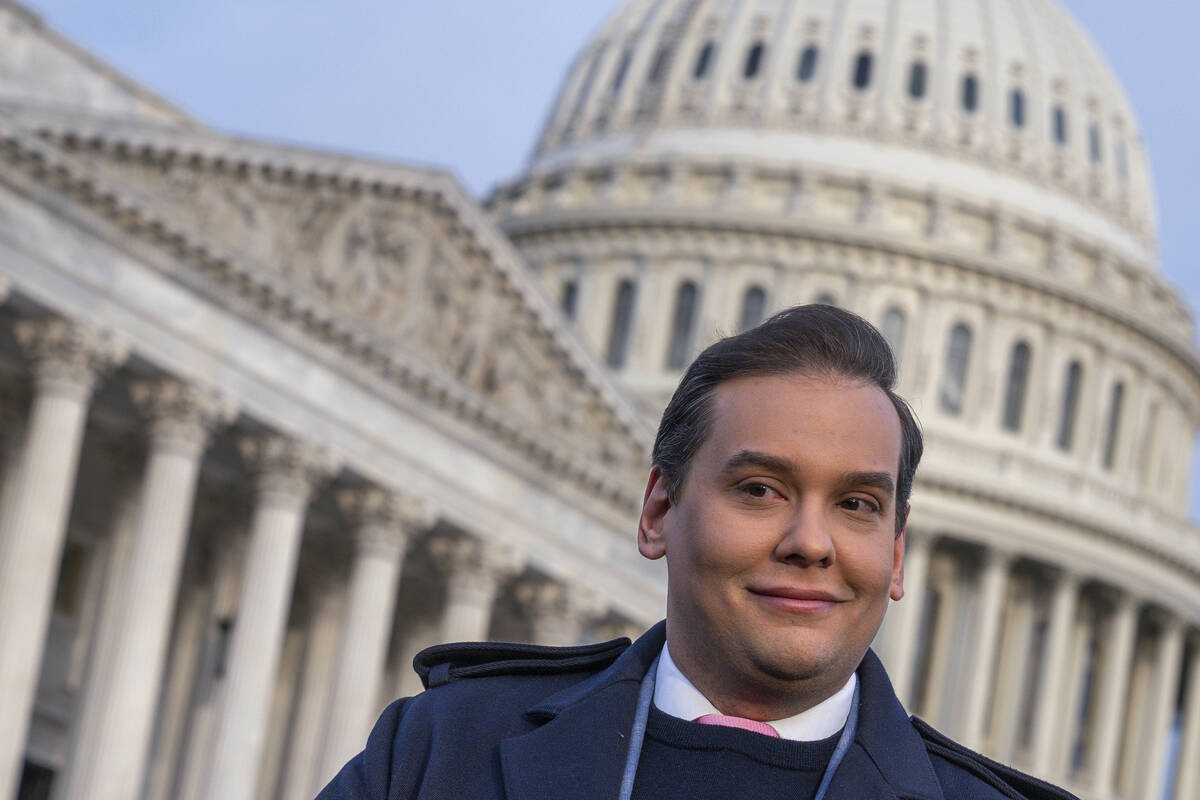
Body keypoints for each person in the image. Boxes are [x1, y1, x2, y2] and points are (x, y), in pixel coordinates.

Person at [316, 304, 1076, 800]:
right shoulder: (441, 752)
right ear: (658, 511)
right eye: (759, 490)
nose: (810, 543)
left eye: (856, 505)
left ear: (897, 556)